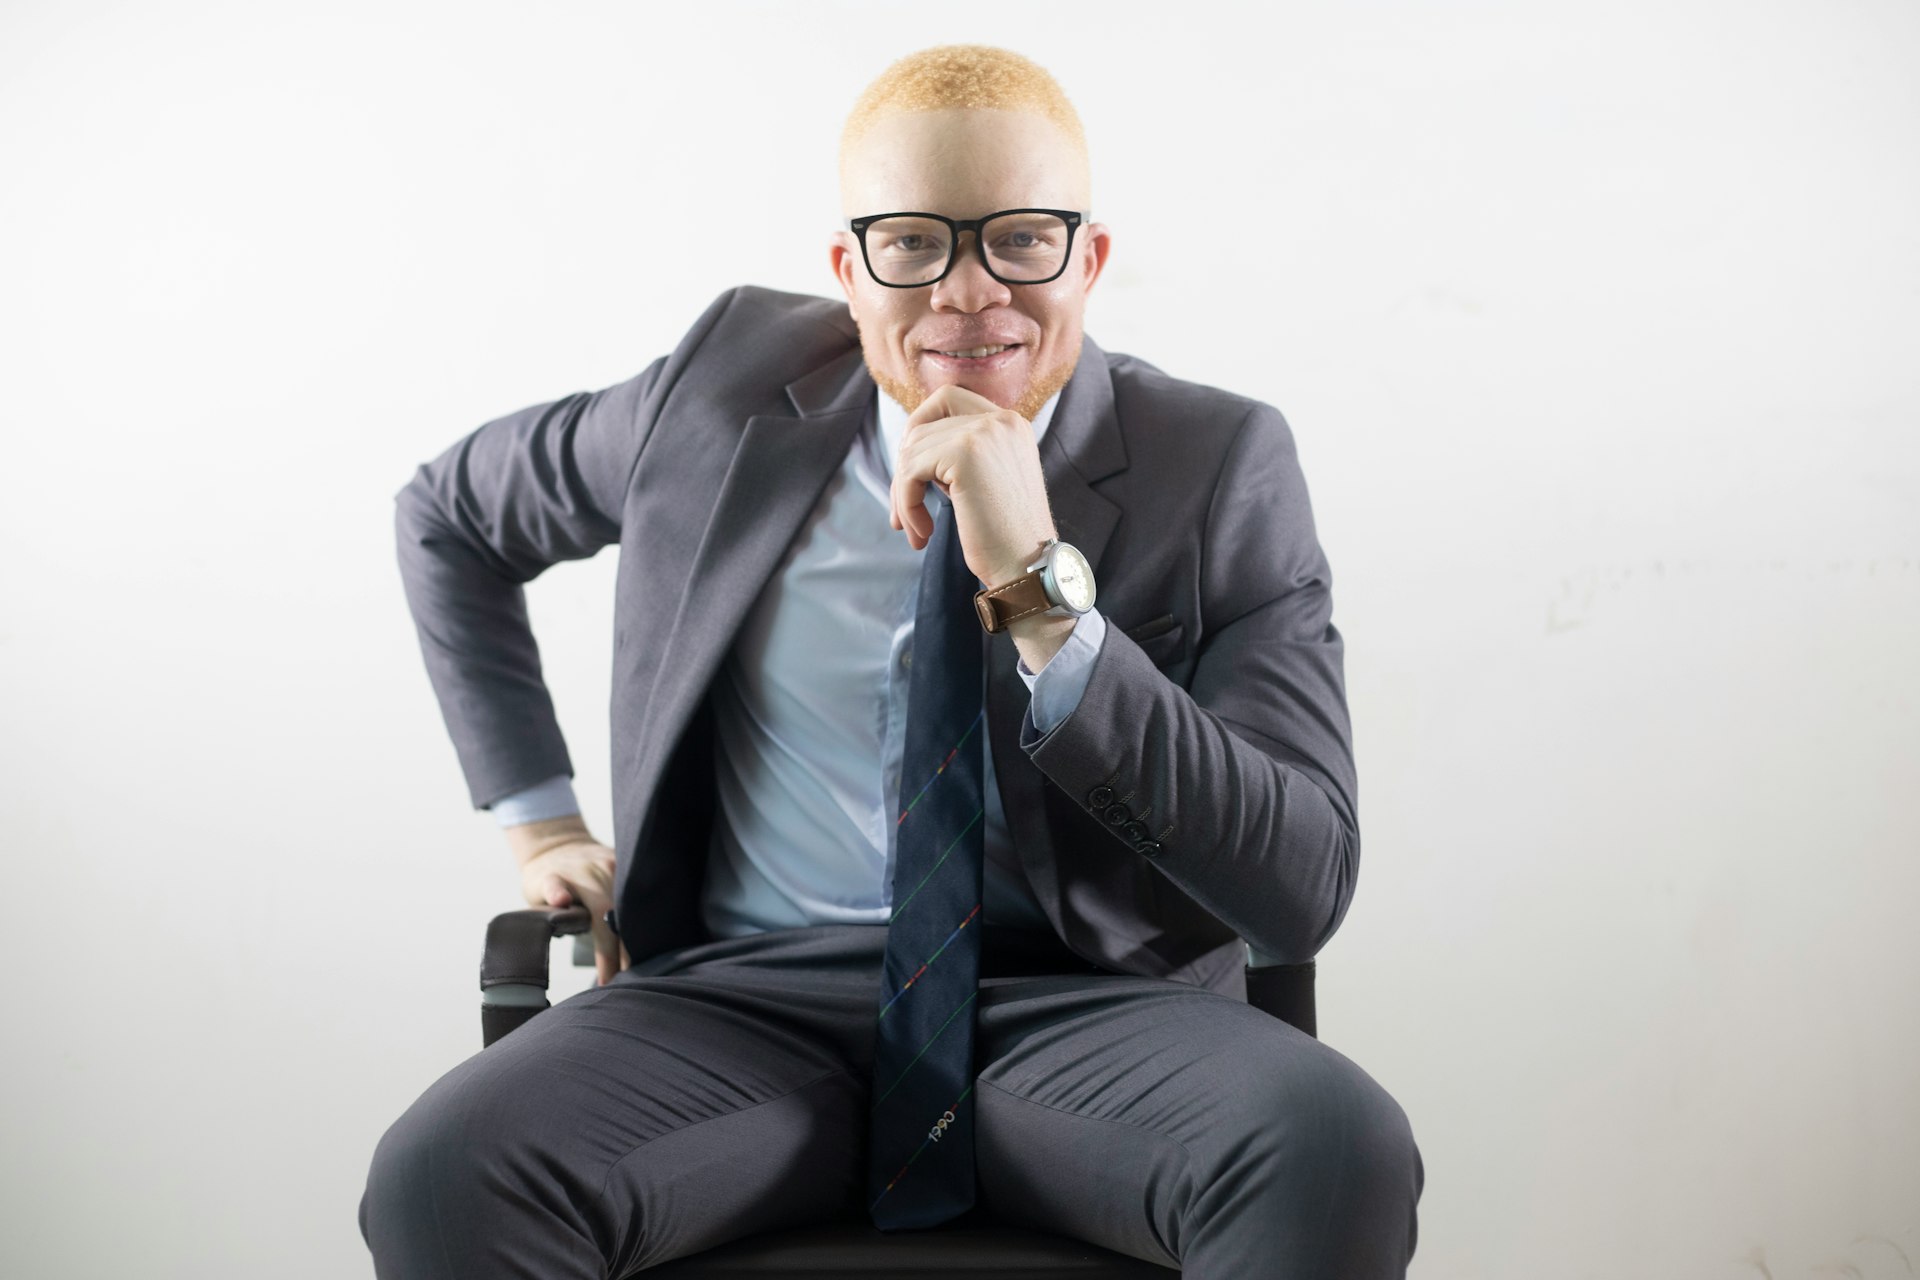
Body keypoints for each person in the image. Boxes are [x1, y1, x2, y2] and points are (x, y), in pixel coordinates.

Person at [361, 42, 1423, 1278]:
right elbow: (450, 518)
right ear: (848, 272)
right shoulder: (711, 398)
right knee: (449, 1169)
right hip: (741, 1002)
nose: (970, 292)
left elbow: (1299, 883)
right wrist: (542, 824)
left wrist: (1040, 591)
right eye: (913, 242)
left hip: (1085, 1004)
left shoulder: (1218, 461)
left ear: (1088, 259)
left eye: (1020, 239)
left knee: (1329, 1145)